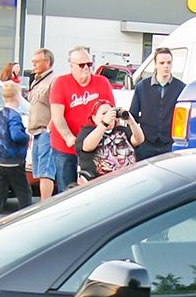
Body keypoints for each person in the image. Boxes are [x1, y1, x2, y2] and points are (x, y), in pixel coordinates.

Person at [49, 46, 115, 193]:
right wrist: (68, 137)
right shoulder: (60, 83)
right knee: (66, 189)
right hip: (65, 147)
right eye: (81, 65)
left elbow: (110, 112)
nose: (86, 68)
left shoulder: (102, 82)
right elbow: (57, 116)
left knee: (92, 189)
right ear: (71, 66)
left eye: (89, 64)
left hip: (94, 146)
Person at [0, 79, 33, 222]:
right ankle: (26, 219)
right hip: (13, 160)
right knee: (24, 191)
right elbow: (16, 135)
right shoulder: (14, 116)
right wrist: (27, 137)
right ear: (17, 97)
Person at [129, 46, 186, 160]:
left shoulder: (181, 88)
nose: (166, 66)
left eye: (169, 62)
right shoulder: (142, 86)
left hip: (169, 144)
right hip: (146, 144)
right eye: (162, 63)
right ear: (155, 64)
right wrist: (135, 140)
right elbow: (132, 116)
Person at [76, 102, 143, 183]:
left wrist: (131, 122)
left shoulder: (121, 130)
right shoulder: (87, 131)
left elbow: (139, 140)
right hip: (102, 182)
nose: (108, 116)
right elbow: (87, 147)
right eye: (104, 113)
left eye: (111, 113)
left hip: (127, 177)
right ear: (94, 117)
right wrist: (104, 123)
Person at [24, 48, 58, 200]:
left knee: (46, 172)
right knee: (38, 171)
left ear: (47, 62)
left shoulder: (53, 81)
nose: (34, 64)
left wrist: (50, 128)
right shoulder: (36, 80)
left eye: (37, 62)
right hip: (35, 132)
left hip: (46, 131)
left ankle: (45, 204)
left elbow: (56, 106)